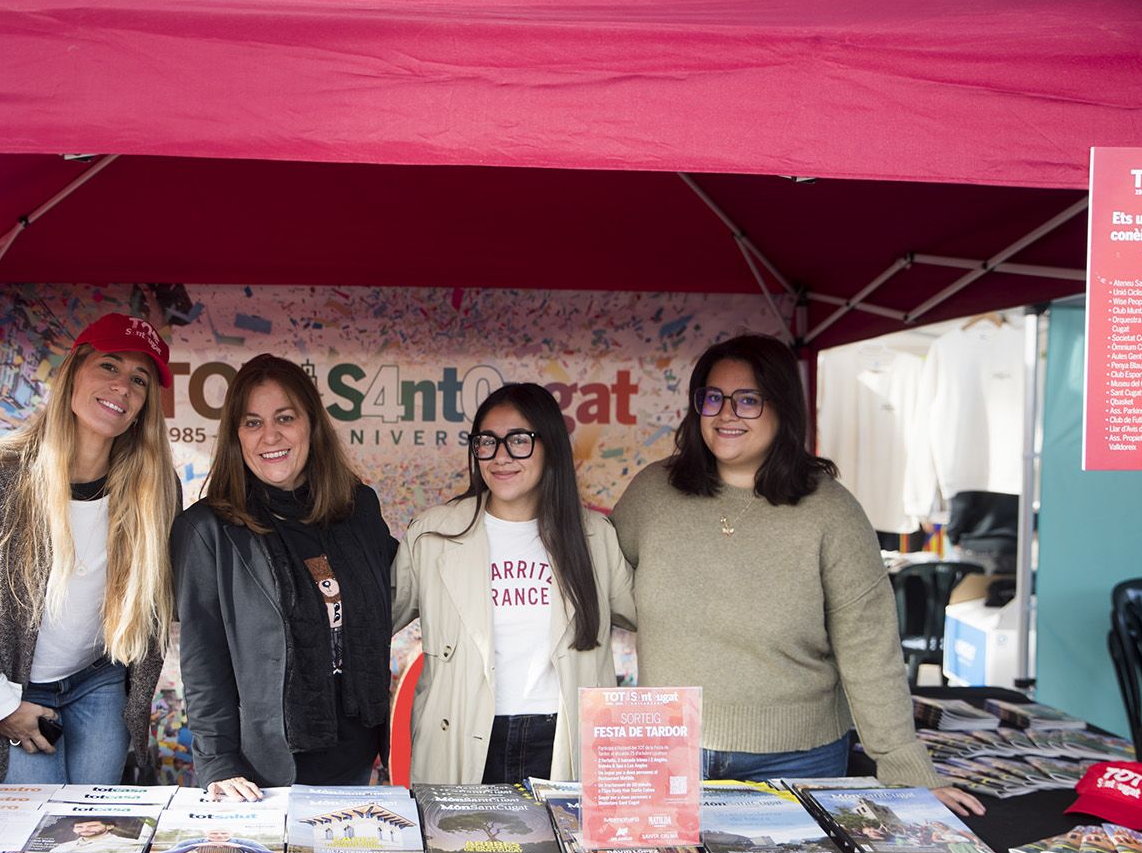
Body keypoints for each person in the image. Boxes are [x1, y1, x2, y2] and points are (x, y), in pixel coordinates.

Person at [610, 333, 984, 817]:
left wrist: (905, 764)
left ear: (782, 407)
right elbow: (603, 588)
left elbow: (869, 646)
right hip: (667, 749)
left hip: (796, 758)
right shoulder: (653, 494)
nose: (726, 414)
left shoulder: (831, 512)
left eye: (748, 400)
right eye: (713, 398)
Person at [0, 313, 178, 784]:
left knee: (92, 819)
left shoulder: (155, 488)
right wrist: (1, 702)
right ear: (73, 372)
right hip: (14, 688)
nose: (122, 386)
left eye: (139, 379)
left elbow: (158, 602)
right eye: (109, 366)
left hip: (99, 680)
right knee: (31, 820)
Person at [171, 354, 396, 800]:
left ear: (311, 425)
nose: (270, 436)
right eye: (252, 423)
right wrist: (219, 762)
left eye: (285, 418)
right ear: (236, 436)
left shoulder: (358, 509)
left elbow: (401, 588)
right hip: (264, 772)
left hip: (356, 756)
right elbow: (203, 661)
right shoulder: (207, 531)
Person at [392, 383, 635, 784]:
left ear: (550, 447)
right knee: (465, 828)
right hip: (465, 733)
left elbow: (653, 615)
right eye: (487, 442)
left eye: (519, 440)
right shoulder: (433, 534)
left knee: (561, 828)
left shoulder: (594, 536)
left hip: (559, 736)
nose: (500, 456)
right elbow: (373, 622)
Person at [48, 818, 140, 853]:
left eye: (93, 826)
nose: (85, 829)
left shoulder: (128, 844)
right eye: (79, 827)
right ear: (73, 829)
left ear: (110, 826)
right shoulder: (63, 847)